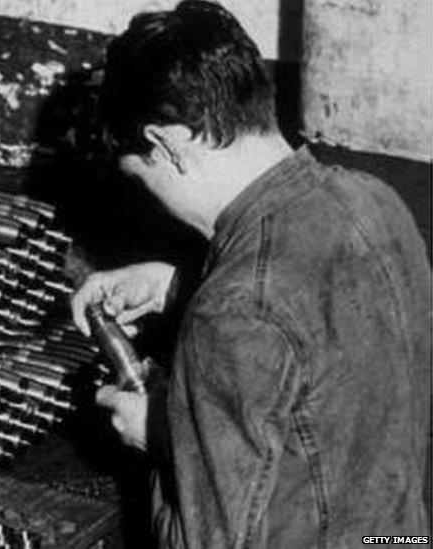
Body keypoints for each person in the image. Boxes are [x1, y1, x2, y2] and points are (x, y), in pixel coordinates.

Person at [70, 1, 432, 547]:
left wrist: (164, 433)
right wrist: (174, 283)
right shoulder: (375, 202)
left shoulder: (234, 309)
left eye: (144, 178)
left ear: (168, 143)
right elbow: (316, 342)